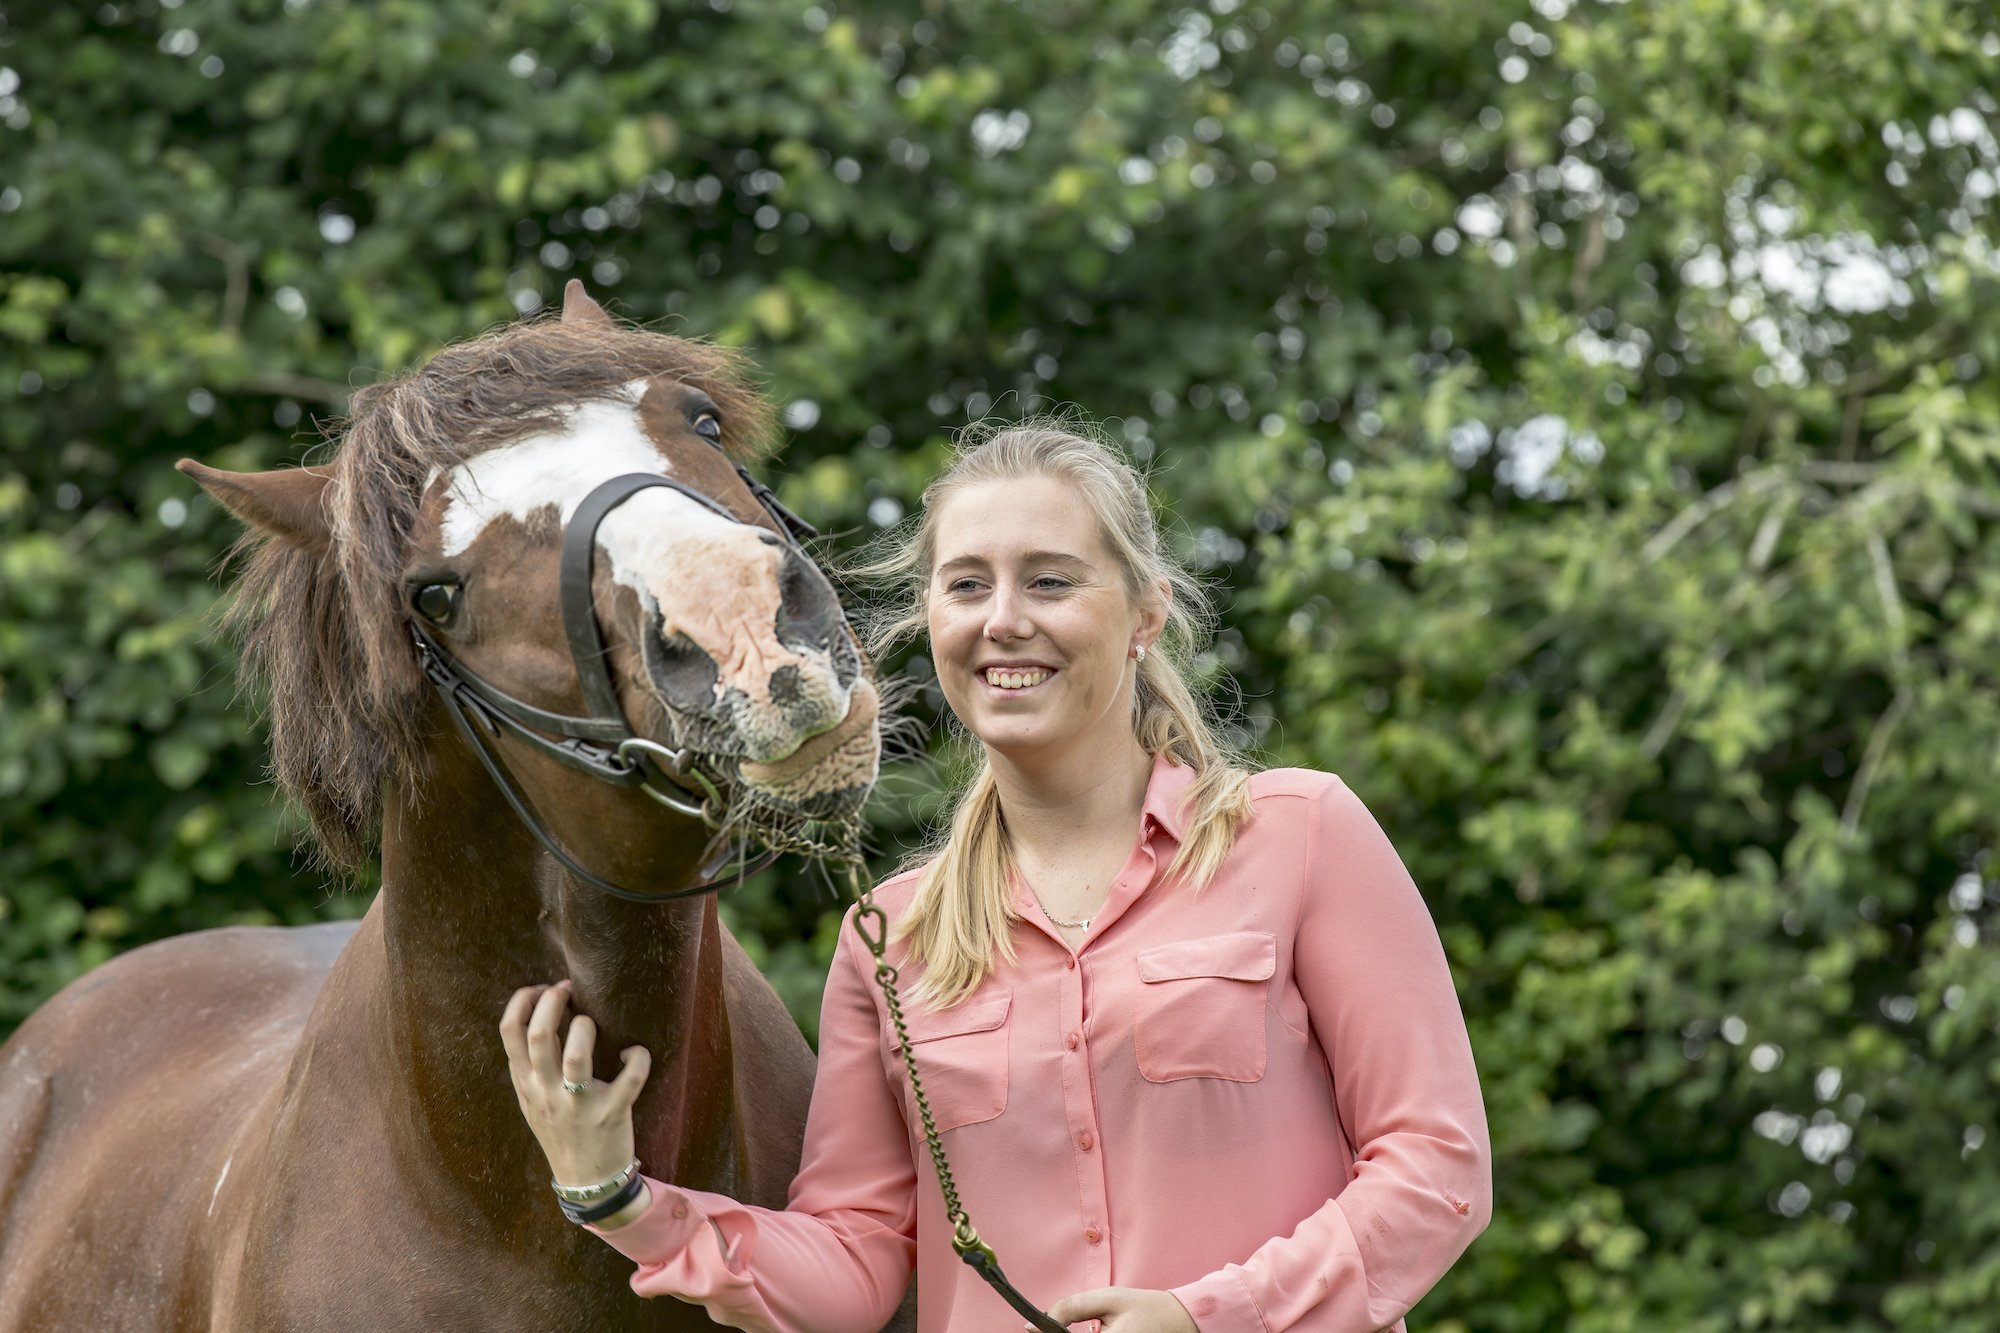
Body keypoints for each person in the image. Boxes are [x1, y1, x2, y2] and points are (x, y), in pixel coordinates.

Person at [499, 422, 1491, 1332]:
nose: (1003, 619)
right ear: (930, 617)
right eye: (966, 585)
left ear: (1145, 613)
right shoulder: (891, 938)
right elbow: (855, 1258)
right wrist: (620, 1198)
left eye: (1050, 582)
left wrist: (1210, 1317)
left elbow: (1433, 1172)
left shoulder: (1300, 836)